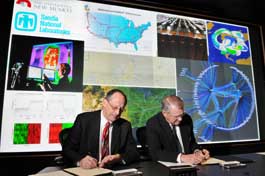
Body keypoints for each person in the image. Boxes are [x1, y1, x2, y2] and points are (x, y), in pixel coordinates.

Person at [63, 89, 140, 169]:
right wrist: (80, 160)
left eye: (121, 109)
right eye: (114, 108)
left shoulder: (124, 125)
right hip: (89, 171)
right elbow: (67, 149)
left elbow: (134, 153)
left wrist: (118, 157)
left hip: (113, 170)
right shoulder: (84, 120)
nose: (118, 113)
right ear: (104, 103)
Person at [146, 95, 210, 164]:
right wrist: (181, 157)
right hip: (167, 168)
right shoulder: (153, 123)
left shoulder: (187, 119)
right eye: (176, 116)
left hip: (191, 167)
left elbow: (191, 143)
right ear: (165, 113)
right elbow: (155, 153)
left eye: (181, 115)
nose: (180, 119)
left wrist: (197, 151)